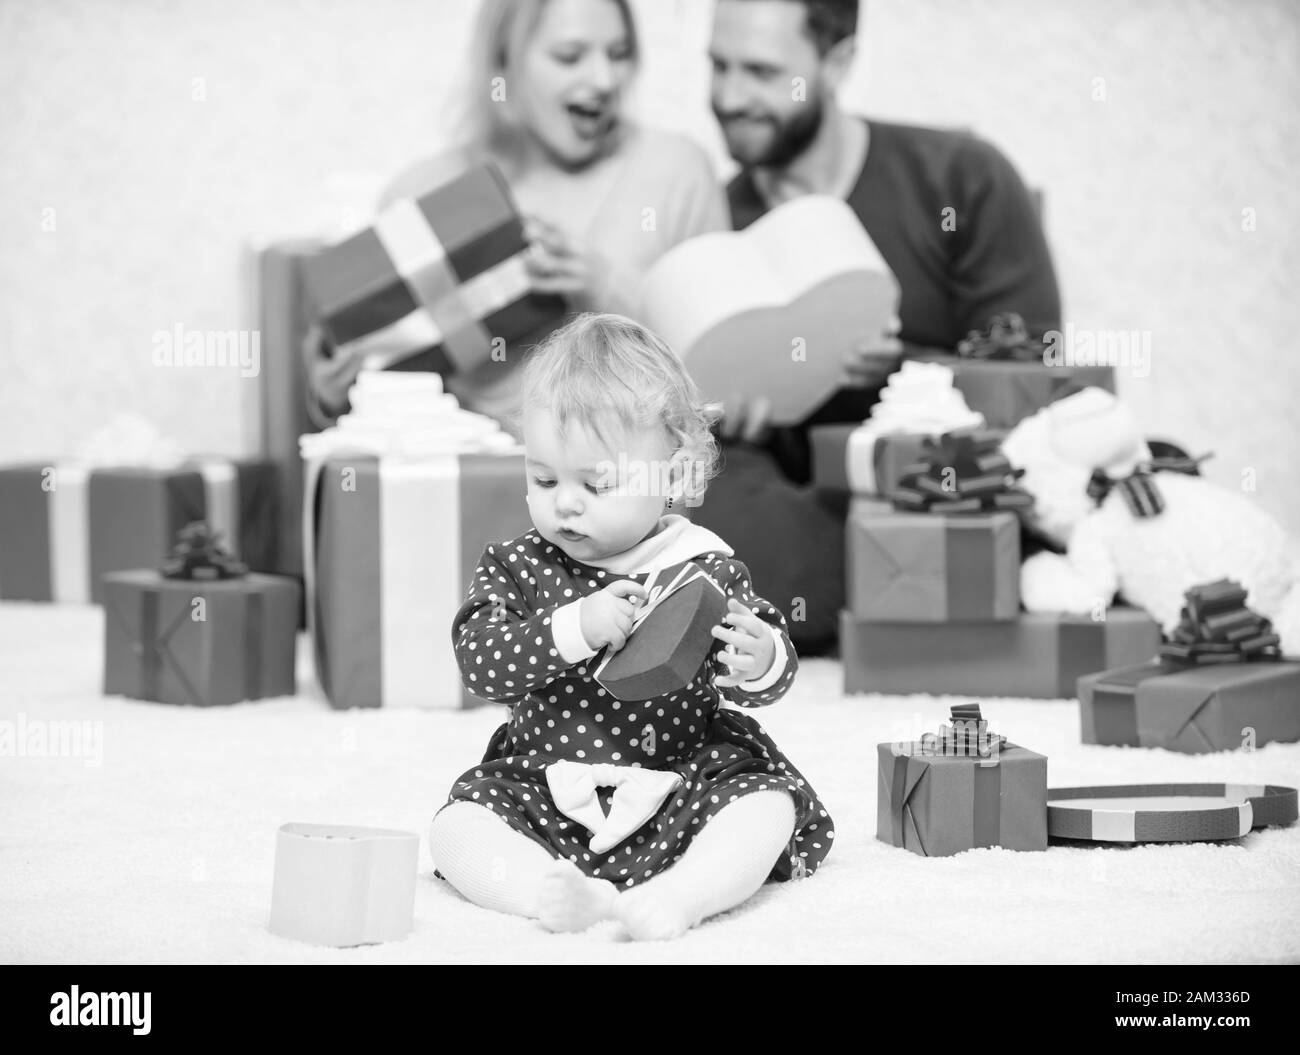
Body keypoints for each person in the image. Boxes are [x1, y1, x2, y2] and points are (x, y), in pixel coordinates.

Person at [428, 313, 834, 941]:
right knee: (456, 828)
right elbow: (480, 663)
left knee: (765, 806)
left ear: (671, 478)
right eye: (543, 478)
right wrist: (574, 627)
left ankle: (686, 893)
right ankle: (549, 893)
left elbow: (758, 686)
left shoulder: (701, 565)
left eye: (597, 483)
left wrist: (763, 658)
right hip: (547, 779)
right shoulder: (517, 565)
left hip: (683, 777)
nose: (564, 501)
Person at [694, 0, 1062, 651]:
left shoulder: (962, 177)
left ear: (836, 62)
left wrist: (903, 369)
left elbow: (1036, 394)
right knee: (678, 494)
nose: (728, 96)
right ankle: (897, 590)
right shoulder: (714, 221)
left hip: (948, 485)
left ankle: (905, 581)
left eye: (759, 71)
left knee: (1065, 480)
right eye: (718, 66)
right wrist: (726, 419)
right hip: (798, 501)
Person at [308, 0, 729, 428]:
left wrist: (611, 294)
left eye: (619, 54)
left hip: (632, 478)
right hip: (474, 481)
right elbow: (385, 410)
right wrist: (336, 398)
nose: (604, 79)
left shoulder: (678, 171)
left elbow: (721, 376)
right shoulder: (423, 193)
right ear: (504, 61)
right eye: (570, 56)